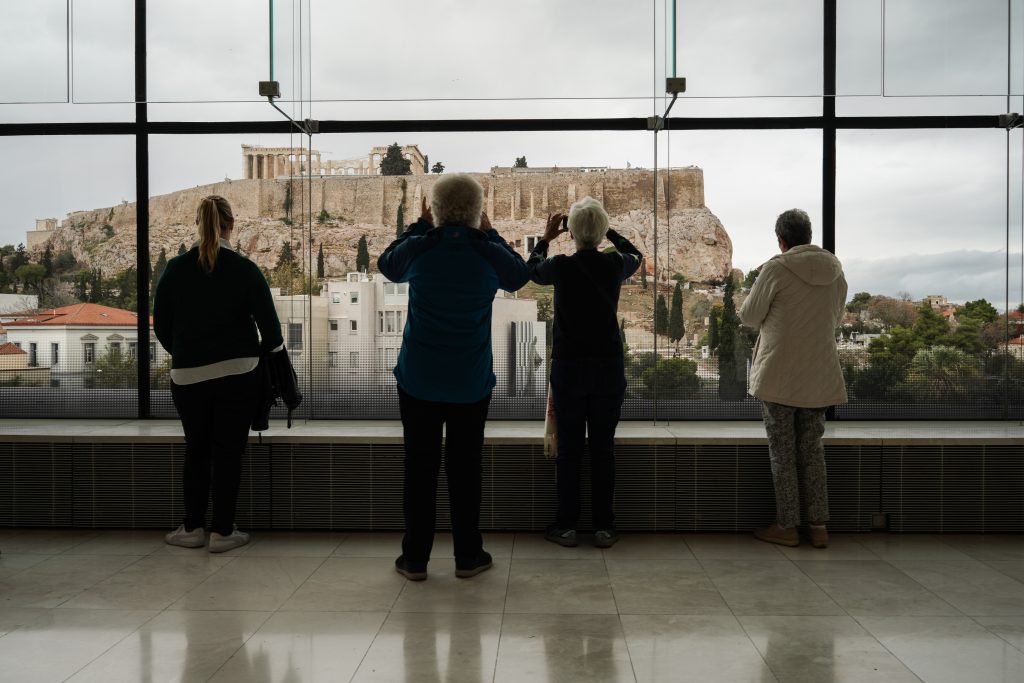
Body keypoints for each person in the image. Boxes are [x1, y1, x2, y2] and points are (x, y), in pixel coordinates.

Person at [378, 174, 531, 580]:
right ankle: (468, 556)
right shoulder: (487, 254)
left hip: (419, 379)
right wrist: (492, 232)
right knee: (466, 471)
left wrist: (419, 226)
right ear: (477, 210)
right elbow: (518, 276)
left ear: (436, 209)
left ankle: (414, 560)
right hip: (470, 380)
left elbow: (386, 264)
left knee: (420, 470)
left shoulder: (422, 248)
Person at [154, 195, 283, 553]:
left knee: (196, 450)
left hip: (188, 376)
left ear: (197, 224)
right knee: (228, 451)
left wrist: (187, 352)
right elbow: (272, 333)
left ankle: (193, 527)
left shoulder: (175, 269)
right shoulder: (244, 269)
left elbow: (162, 327)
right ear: (231, 224)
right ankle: (223, 532)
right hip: (239, 373)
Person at [528, 197, 643, 548]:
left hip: (569, 369)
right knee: (603, 449)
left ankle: (566, 525)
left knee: (570, 450)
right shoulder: (614, 265)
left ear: (572, 232)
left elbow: (532, 269)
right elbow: (637, 255)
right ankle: (604, 527)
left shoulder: (560, 266)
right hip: (608, 368)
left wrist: (547, 238)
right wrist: (608, 232)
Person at [739, 208, 848, 548]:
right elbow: (837, 318)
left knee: (782, 452)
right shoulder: (836, 271)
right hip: (819, 373)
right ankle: (818, 526)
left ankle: (787, 526)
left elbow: (749, 316)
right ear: (809, 235)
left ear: (781, 240)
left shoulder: (776, 268)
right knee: (812, 449)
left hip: (780, 375)